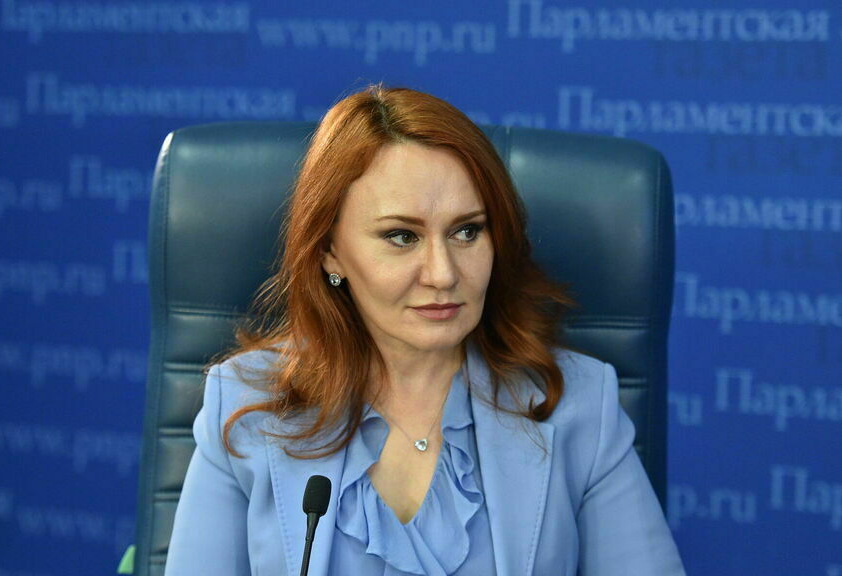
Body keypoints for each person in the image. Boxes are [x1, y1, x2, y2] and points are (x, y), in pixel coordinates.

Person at [164, 84, 686, 576]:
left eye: (467, 231)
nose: (443, 274)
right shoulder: (244, 406)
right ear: (329, 251)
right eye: (401, 236)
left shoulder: (582, 406)